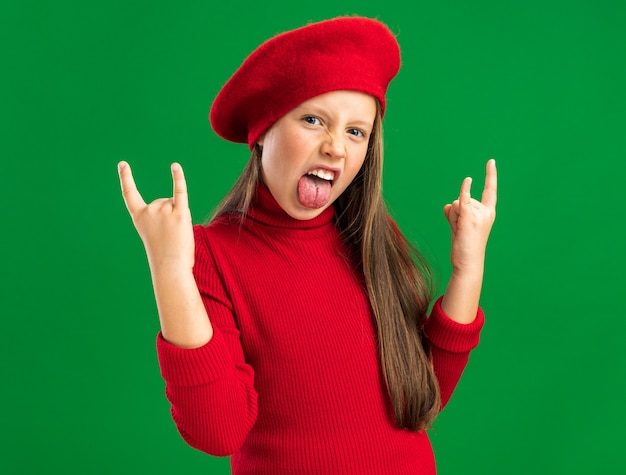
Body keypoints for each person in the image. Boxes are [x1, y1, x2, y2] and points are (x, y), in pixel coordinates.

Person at [118, 16, 497, 475]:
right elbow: (216, 432)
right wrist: (170, 271)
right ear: (264, 131)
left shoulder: (372, 240)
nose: (336, 147)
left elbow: (424, 393)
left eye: (356, 131)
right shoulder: (211, 256)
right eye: (314, 120)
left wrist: (468, 269)